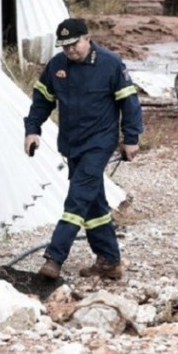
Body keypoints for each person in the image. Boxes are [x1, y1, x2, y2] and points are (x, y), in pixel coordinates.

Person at [25, 18, 143, 280]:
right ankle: (109, 262)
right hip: (71, 144)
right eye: (64, 46)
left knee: (77, 199)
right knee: (93, 203)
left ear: (87, 39)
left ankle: (54, 258)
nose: (69, 50)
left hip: (99, 143)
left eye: (74, 44)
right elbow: (42, 101)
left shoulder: (110, 64)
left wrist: (131, 137)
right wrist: (32, 130)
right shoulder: (57, 66)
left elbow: (129, 103)